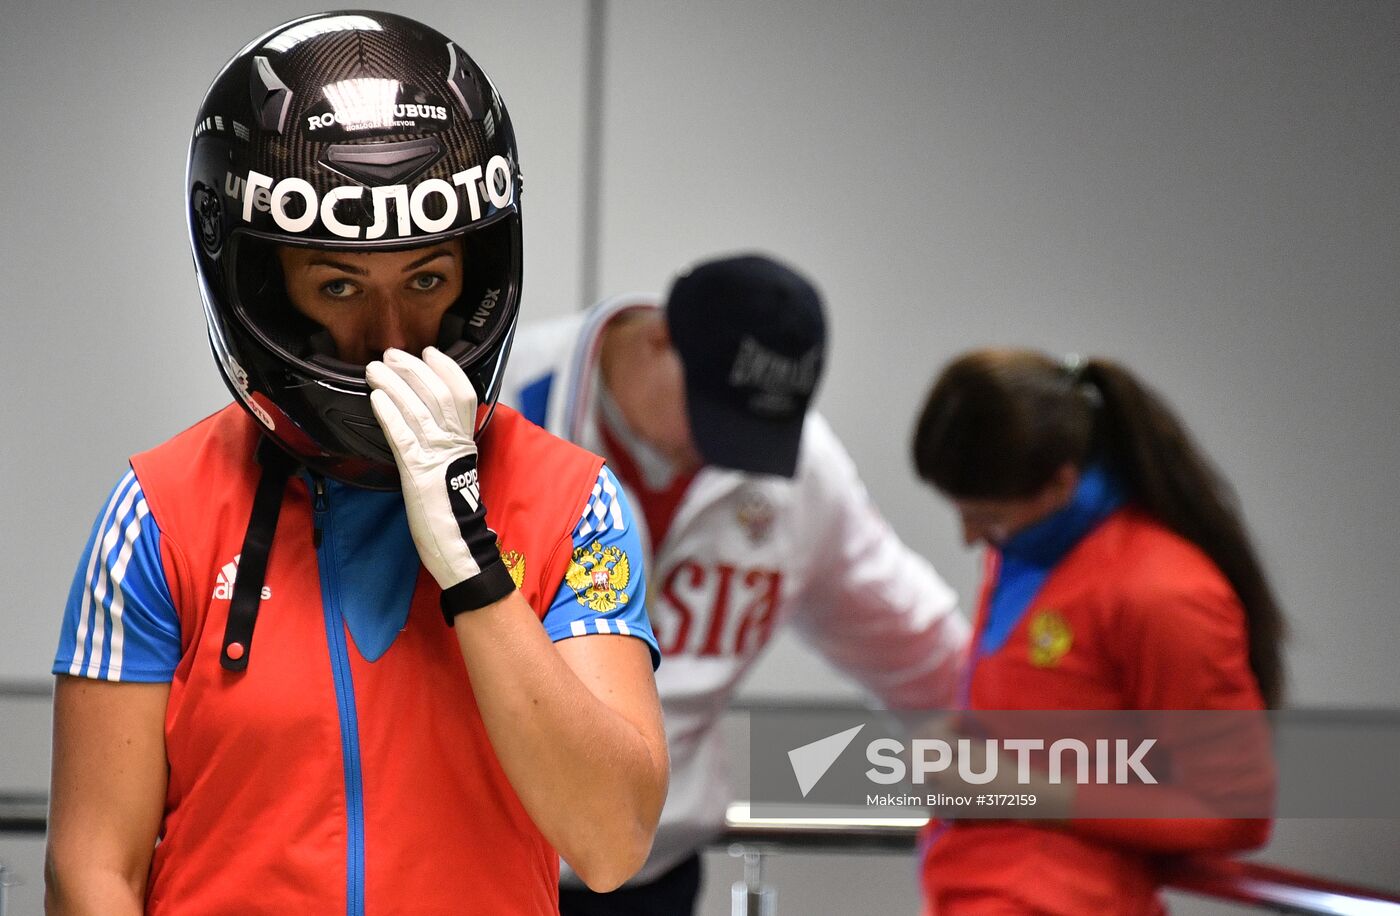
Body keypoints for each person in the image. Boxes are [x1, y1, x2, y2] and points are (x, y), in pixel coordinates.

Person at [45, 12, 667, 915]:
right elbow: (91, 871)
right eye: (337, 286)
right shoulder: (158, 511)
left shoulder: (576, 505)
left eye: (427, 281)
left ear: (475, 275)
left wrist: (472, 563)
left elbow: (611, 843)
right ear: (268, 287)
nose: (389, 344)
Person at [500, 253, 970, 913]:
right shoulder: (500, 394)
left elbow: (913, 640)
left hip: (648, 878)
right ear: (659, 338)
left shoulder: (800, 466)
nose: (726, 451)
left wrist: (1065, 766)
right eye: (714, 414)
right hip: (482, 861)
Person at [911, 348, 1285, 915]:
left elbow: (1234, 807)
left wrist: (1015, 788)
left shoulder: (1163, 592)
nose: (969, 537)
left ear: (1061, 485)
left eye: (986, 516)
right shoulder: (1023, 548)